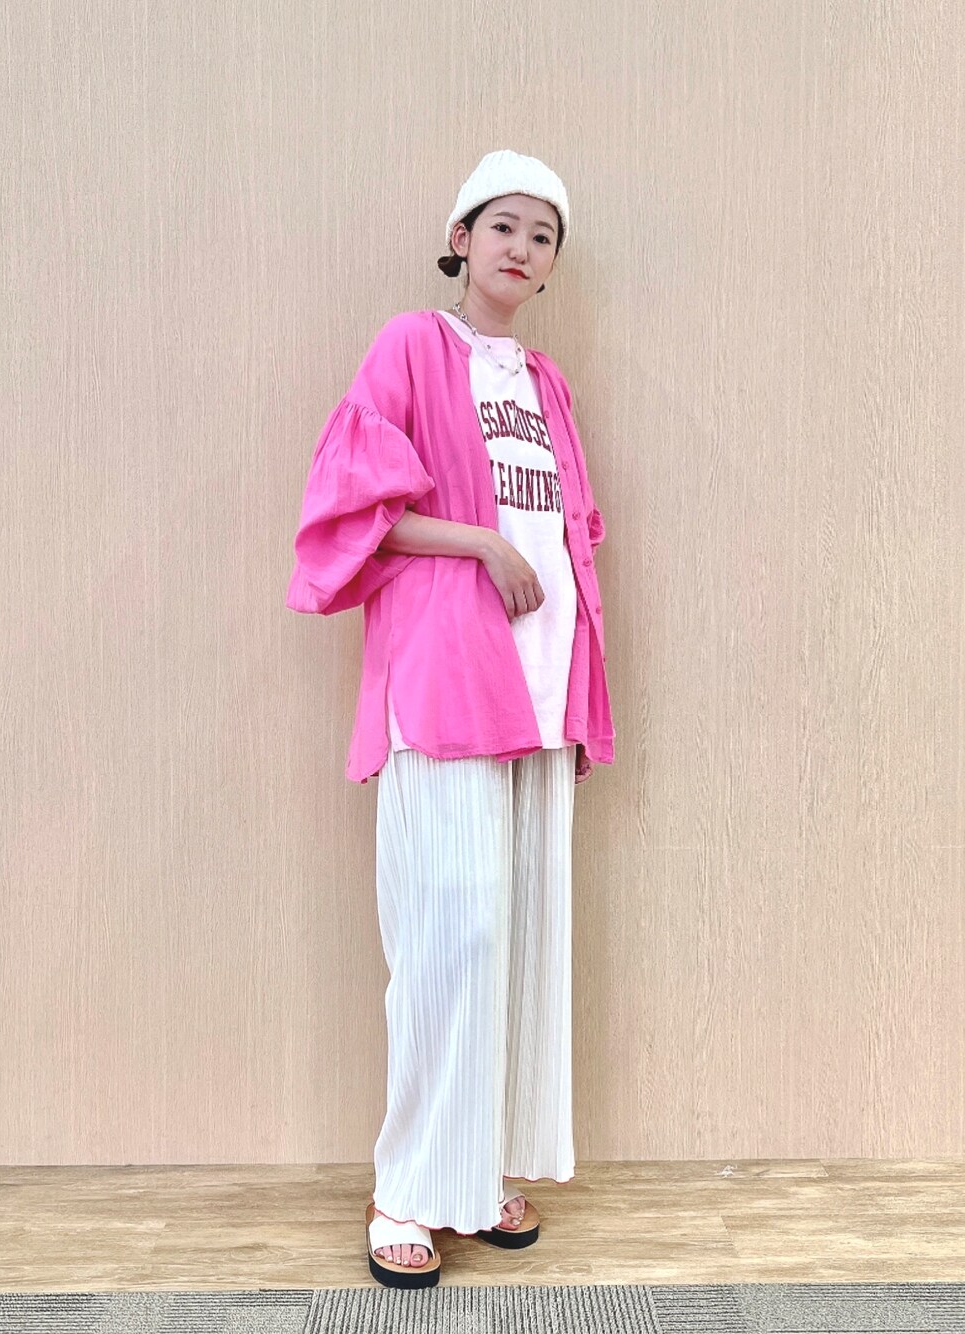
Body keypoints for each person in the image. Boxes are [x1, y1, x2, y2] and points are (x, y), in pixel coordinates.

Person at [286, 149, 615, 1288]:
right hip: (446, 674)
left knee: (515, 930)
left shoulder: (546, 381)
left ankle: (474, 1173)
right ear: (462, 238)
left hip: (540, 680)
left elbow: (568, 530)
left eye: (543, 235)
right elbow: (354, 505)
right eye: (503, 226)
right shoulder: (412, 346)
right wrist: (477, 543)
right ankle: (406, 1187)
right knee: (447, 929)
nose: (522, 248)